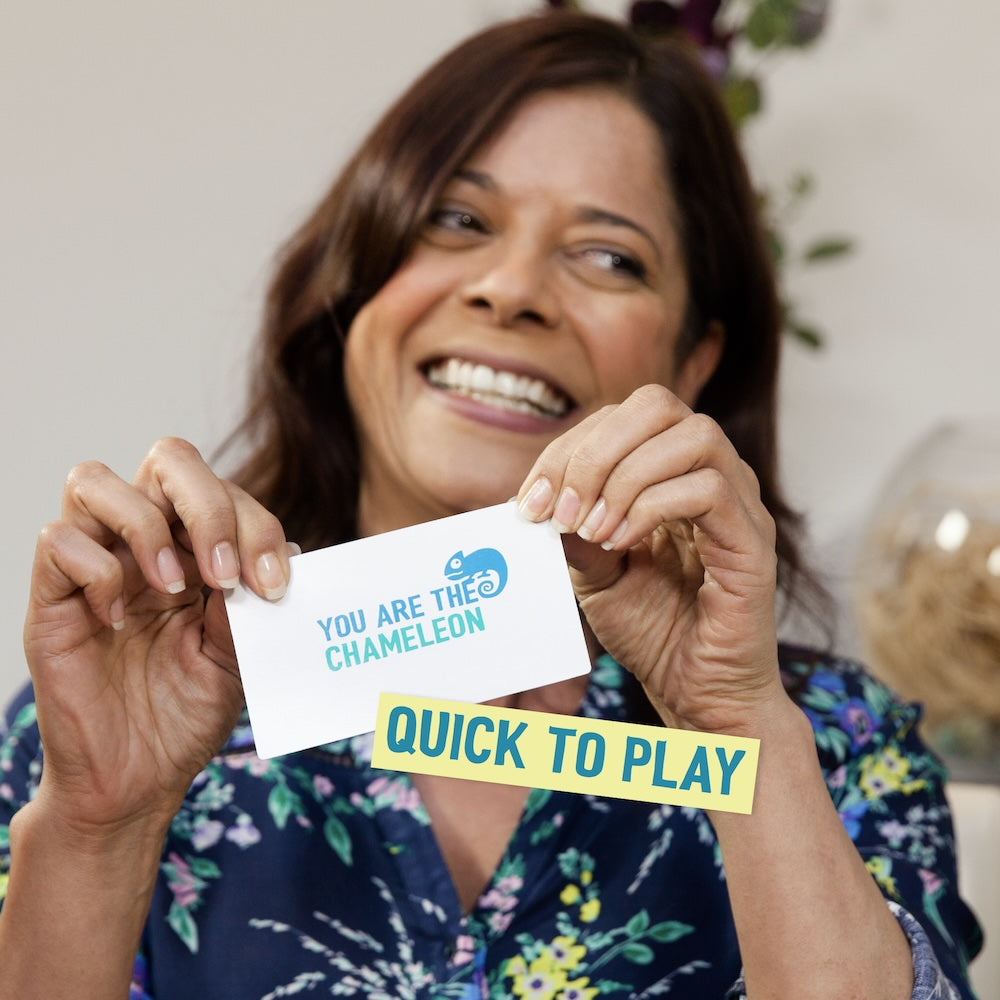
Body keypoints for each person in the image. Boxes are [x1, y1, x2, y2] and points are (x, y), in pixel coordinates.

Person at [0, 10, 982, 999]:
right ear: (354, 292)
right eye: (458, 220)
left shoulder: (838, 749)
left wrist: (735, 726)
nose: (512, 289)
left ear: (692, 359)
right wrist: (100, 831)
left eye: (609, 257)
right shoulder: (104, 728)